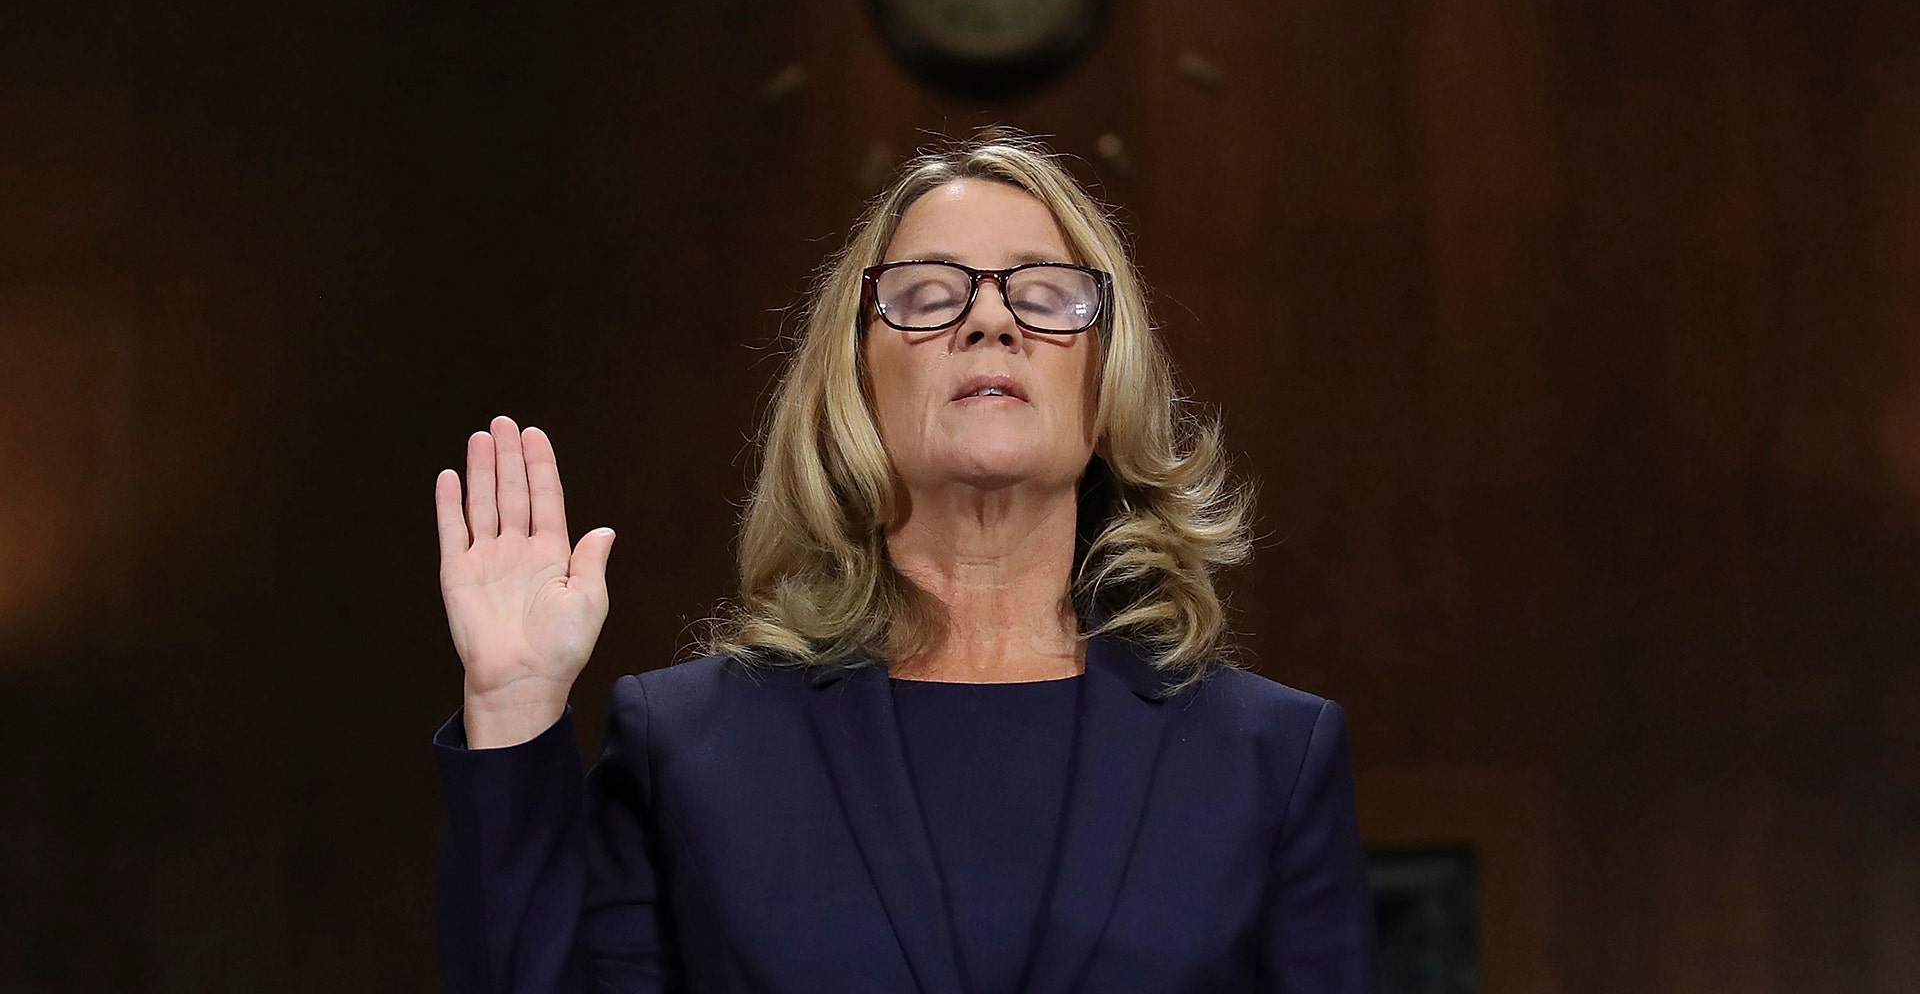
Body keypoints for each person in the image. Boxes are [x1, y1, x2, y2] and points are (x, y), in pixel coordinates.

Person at [430, 131, 1379, 993]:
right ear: (857, 381)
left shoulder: (1268, 759)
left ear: (1107, 378)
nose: (991, 321)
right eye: (929, 296)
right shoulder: (689, 747)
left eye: (1046, 295)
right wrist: (514, 705)